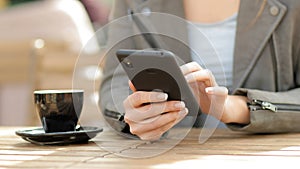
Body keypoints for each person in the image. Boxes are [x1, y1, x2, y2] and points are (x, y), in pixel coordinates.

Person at [99, 0, 300, 141]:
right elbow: (113, 84)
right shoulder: (132, 1)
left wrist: (236, 107)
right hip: (169, 156)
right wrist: (130, 115)